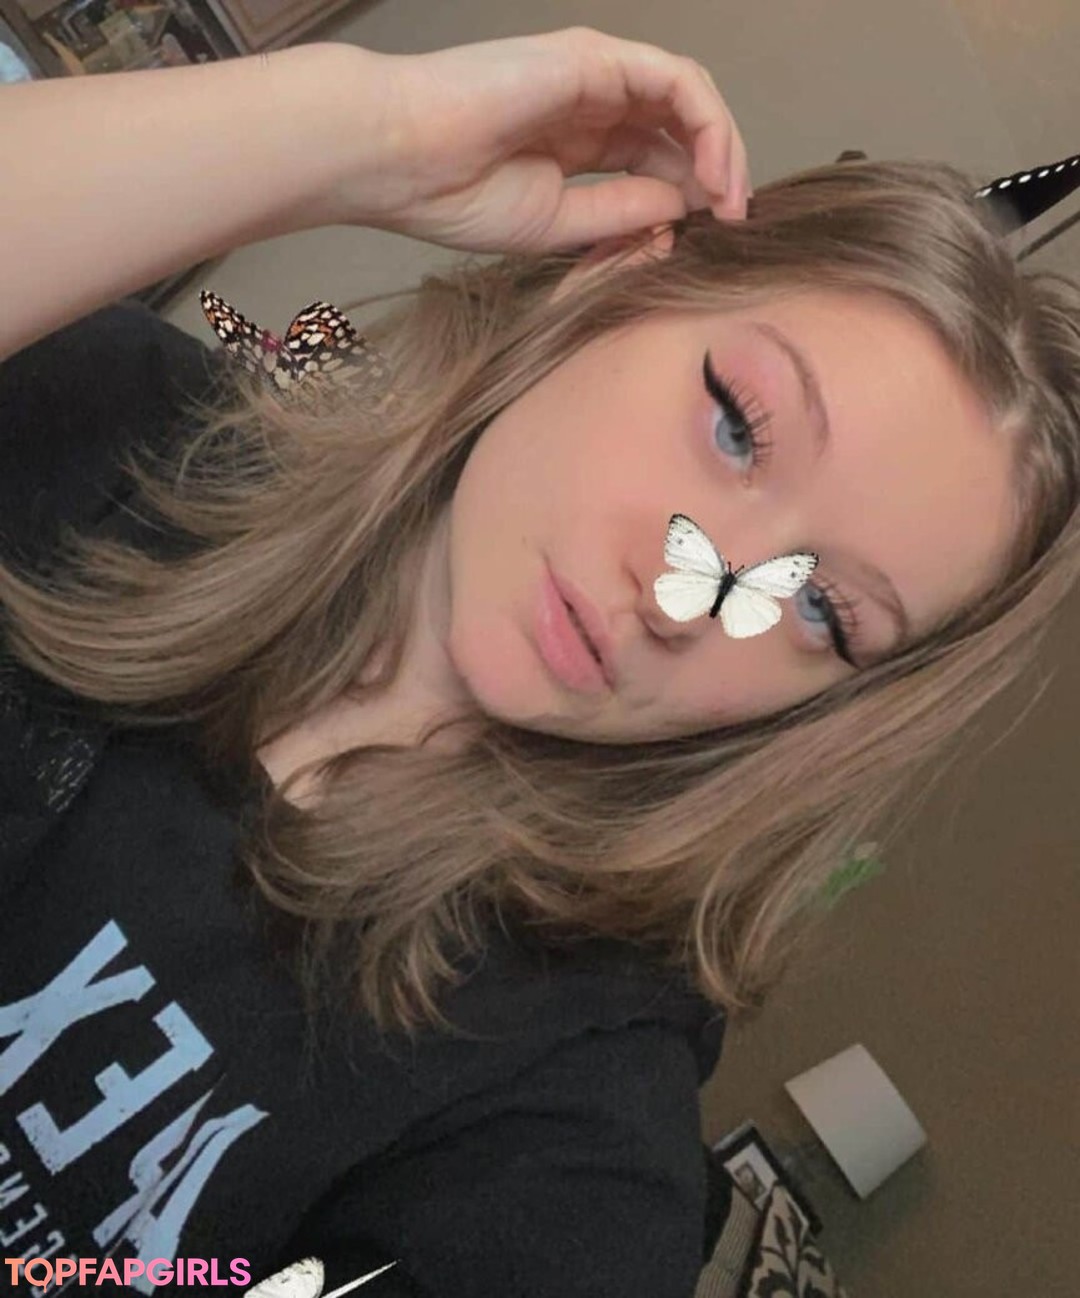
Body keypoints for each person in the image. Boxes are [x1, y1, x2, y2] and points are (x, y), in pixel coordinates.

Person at [1, 25, 1079, 1298]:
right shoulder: (117, 424)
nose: (689, 594)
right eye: (737, 426)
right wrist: (355, 131)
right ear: (616, 283)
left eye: (819, 611)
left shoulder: (562, 1124)